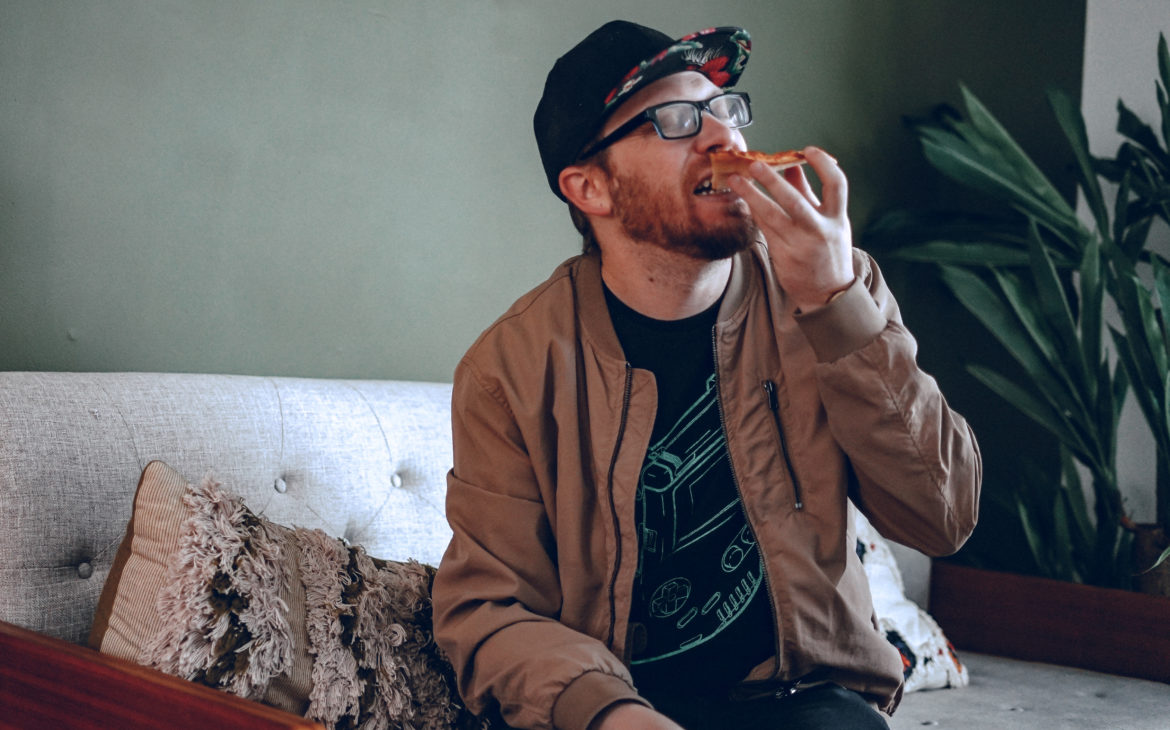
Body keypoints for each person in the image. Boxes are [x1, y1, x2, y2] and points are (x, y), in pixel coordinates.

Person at [431, 20, 980, 730]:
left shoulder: (839, 289)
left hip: (799, 700)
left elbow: (943, 517)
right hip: (613, 703)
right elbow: (491, 608)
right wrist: (611, 715)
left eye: (724, 107)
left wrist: (835, 305)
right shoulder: (510, 368)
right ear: (590, 187)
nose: (725, 138)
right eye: (677, 119)